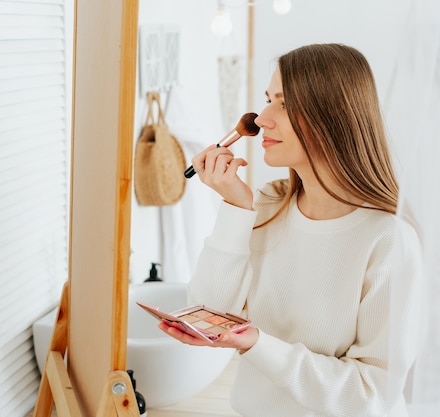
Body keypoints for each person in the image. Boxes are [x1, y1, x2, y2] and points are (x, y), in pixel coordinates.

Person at [158, 43, 423, 417]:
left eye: (283, 104)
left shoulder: (387, 240)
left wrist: (257, 344)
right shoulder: (266, 207)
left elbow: (372, 396)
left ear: (333, 116)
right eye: (268, 100)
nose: (262, 118)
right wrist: (235, 206)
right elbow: (211, 316)